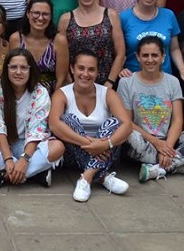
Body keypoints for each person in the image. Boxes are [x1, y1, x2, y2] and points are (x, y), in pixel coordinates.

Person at [118, 36, 184, 182]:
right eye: (145, 55)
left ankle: (157, 168)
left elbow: (178, 120)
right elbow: (127, 122)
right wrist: (157, 144)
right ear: (137, 57)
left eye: (155, 55)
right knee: (128, 134)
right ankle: (180, 165)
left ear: (163, 57)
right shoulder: (126, 83)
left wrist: (167, 147)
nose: (150, 60)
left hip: (169, 141)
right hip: (142, 142)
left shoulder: (172, 81)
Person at [0, 49, 65, 191]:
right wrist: (8, 159)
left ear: (31, 70)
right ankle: (34, 174)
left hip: (28, 146)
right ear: (6, 69)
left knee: (58, 147)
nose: (18, 72)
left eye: (23, 68)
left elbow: (36, 131)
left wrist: (24, 159)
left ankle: (1, 177)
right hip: (0, 145)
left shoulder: (40, 92)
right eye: (13, 67)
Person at [49, 50, 133, 202]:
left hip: (107, 152)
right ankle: (103, 177)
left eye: (91, 69)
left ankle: (87, 177)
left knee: (114, 122)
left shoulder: (107, 93)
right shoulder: (62, 94)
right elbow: (54, 124)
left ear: (97, 72)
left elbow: (127, 125)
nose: (85, 74)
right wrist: (90, 144)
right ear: (72, 69)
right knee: (68, 119)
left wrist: (106, 144)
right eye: (81, 68)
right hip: (74, 155)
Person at [119, 0, 184, 83]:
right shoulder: (123, 18)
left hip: (164, 79)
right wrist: (121, 69)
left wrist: (182, 70)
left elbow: (174, 49)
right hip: (132, 80)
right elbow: (117, 52)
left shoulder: (168, 15)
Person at [57, 0, 125, 87]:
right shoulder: (65, 19)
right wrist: (70, 82)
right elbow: (62, 57)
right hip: (77, 85)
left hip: (107, 85)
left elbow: (120, 53)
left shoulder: (111, 15)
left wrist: (110, 82)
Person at [9, 0, 65, 89]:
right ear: (28, 14)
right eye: (36, 13)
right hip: (22, 91)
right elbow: (12, 72)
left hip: (51, 93)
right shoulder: (16, 39)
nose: (40, 18)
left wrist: (54, 101)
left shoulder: (59, 40)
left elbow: (61, 78)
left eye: (45, 14)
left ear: (51, 16)